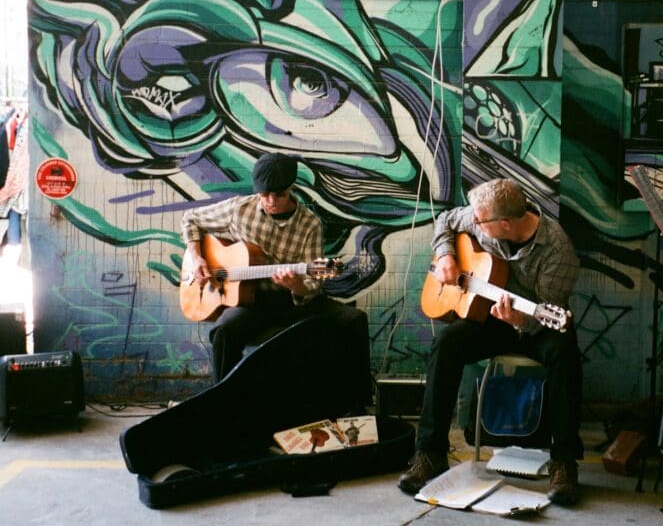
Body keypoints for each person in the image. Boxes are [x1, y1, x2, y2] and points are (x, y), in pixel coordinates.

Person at [397, 178, 584, 505]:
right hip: (489, 319)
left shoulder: (559, 250)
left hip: (537, 323)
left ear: (505, 224)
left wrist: (519, 320)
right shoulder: (481, 217)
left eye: (480, 220)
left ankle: (564, 462)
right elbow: (445, 220)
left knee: (564, 351)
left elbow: (545, 312)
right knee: (447, 342)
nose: (474, 220)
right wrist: (445, 256)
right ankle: (430, 454)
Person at [180, 152, 371, 403]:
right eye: (264, 194)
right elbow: (190, 219)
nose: (271, 201)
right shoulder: (239, 209)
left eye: (279, 194)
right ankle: (223, 407)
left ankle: (357, 407)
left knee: (355, 320)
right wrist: (197, 258)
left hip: (291, 301)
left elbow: (313, 284)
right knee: (223, 332)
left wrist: (297, 285)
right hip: (252, 300)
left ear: (291, 189)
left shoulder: (309, 224)